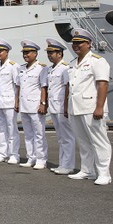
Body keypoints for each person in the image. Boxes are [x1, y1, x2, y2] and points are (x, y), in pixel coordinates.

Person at [67, 28, 112, 185]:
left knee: (99, 141)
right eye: (74, 43)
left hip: (91, 108)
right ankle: (87, 170)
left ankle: (104, 173)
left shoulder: (97, 61)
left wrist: (99, 107)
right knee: (84, 141)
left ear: (89, 44)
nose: (76, 46)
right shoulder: (73, 64)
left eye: (80, 43)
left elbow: (102, 84)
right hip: (76, 108)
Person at [17, 40, 49, 169]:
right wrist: (17, 102)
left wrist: (43, 103)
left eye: (28, 52)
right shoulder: (21, 68)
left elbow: (43, 87)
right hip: (24, 106)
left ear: (35, 53)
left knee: (39, 134)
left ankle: (41, 159)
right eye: (24, 52)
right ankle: (31, 157)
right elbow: (19, 87)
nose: (25, 55)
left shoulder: (41, 68)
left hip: (35, 106)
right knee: (28, 134)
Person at [45, 38, 75, 175]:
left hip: (61, 107)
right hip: (54, 107)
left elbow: (67, 88)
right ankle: (63, 163)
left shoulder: (65, 68)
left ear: (60, 53)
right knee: (61, 137)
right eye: (49, 53)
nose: (50, 55)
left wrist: (65, 107)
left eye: (52, 52)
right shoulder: (51, 69)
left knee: (67, 137)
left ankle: (68, 165)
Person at [0, 39, 21, 164]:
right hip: (0, 102)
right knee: (1, 129)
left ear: (7, 52)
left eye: (0, 51)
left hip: (9, 102)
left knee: (11, 128)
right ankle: (3, 153)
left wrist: (17, 102)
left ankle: (14, 154)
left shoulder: (14, 66)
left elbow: (18, 85)